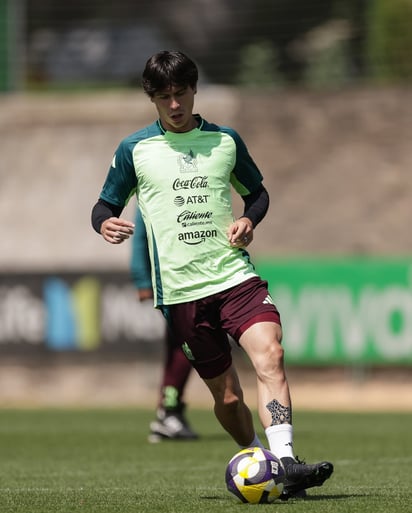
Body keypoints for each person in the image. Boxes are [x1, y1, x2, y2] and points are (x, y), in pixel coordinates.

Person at [91, 50, 333, 499]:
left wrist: (249, 220)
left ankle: (285, 462)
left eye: (181, 93)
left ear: (194, 89)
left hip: (234, 276)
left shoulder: (225, 141)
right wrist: (105, 223)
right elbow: (104, 205)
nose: (175, 105)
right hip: (181, 292)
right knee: (227, 397)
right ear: (152, 98)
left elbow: (257, 194)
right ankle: (259, 459)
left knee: (271, 354)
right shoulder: (134, 150)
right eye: (164, 97)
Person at [130, 207, 198, 442]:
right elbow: (141, 236)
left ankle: (170, 410)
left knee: (186, 343)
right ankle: (168, 411)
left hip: (195, 277)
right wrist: (142, 279)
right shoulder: (153, 190)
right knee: (185, 343)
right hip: (172, 280)